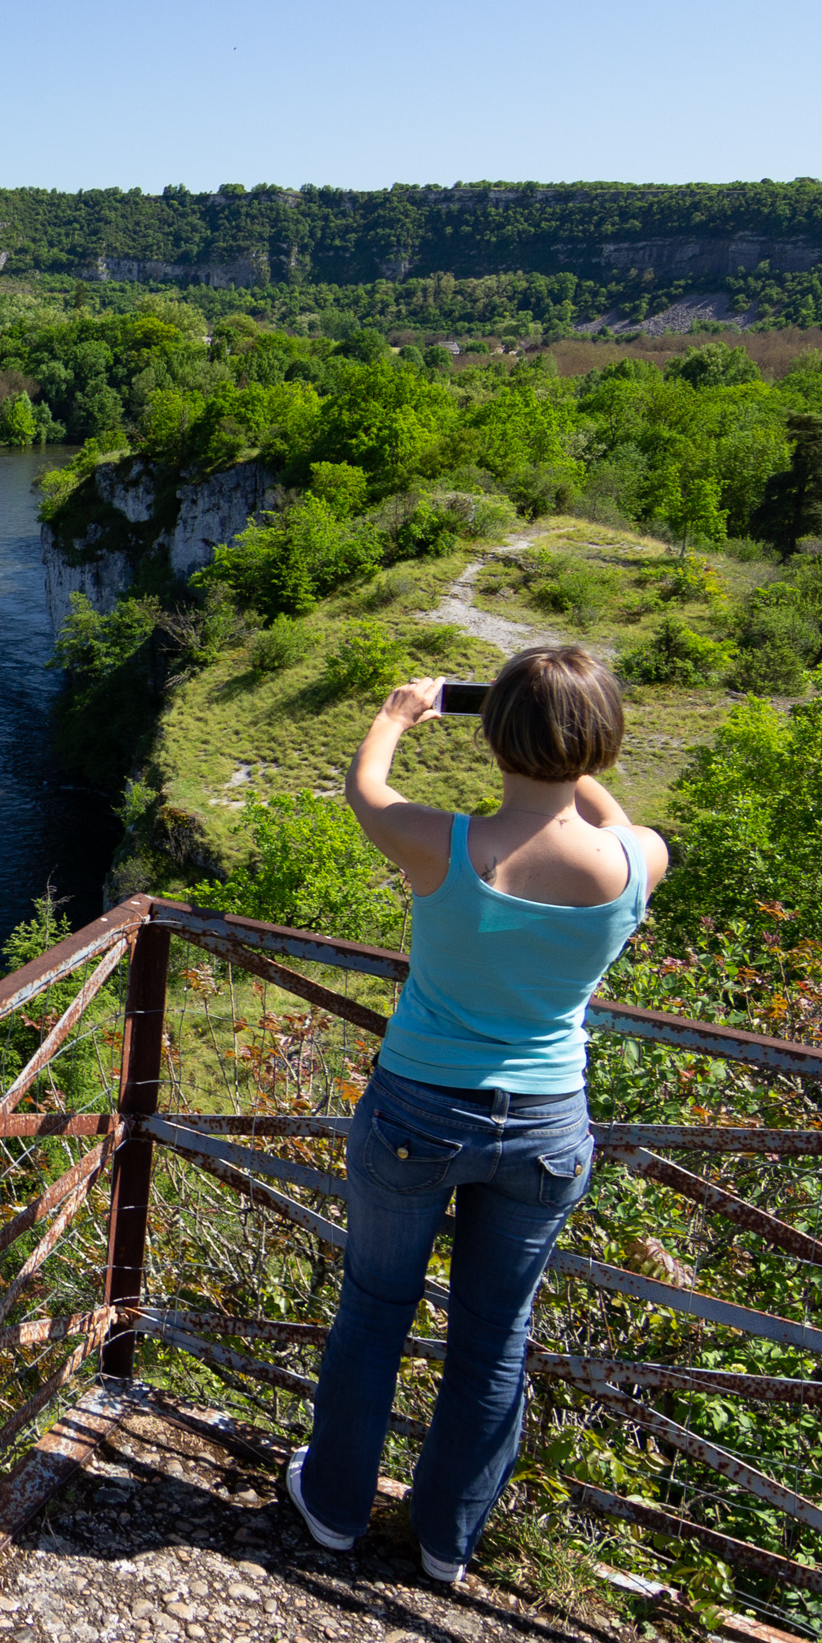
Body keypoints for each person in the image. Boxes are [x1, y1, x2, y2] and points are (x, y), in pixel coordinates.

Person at [284, 644, 669, 1585]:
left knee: (375, 1310)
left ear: (491, 737)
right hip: (545, 1124)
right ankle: (447, 1542)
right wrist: (583, 776)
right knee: (497, 1334)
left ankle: (333, 1509)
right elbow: (619, 822)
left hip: (418, 1106)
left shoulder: (443, 845)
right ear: (602, 747)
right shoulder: (636, 861)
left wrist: (399, 711)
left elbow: (363, 787)